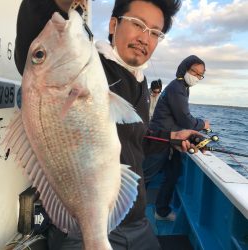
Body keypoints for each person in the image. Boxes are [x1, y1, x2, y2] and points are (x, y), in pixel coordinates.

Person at [14, 1, 201, 249]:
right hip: (82, 227)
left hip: (136, 219)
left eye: (155, 32)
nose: (145, 38)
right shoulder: (96, 67)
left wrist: (172, 137)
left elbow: (136, 139)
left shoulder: (140, 82)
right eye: (137, 24)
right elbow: (36, 32)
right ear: (114, 24)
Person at [143, 55, 210, 221]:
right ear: (184, 68)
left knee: (173, 173)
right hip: (160, 139)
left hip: (172, 140)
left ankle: (161, 211)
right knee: (145, 176)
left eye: (199, 75)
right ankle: (128, 215)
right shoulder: (176, 87)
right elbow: (185, 119)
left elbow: (180, 119)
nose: (195, 76)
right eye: (193, 71)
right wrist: (203, 124)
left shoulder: (183, 88)